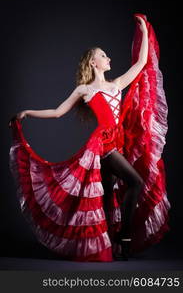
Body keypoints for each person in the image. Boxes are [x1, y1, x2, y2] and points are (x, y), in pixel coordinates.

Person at [8, 14, 170, 262]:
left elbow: (141, 63)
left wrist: (145, 32)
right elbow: (57, 112)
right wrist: (28, 112)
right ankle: (123, 240)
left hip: (117, 144)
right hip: (102, 146)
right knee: (135, 183)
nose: (109, 58)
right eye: (104, 55)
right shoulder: (85, 90)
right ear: (93, 62)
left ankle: (109, 245)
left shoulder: (116, 84)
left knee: (106, 196)